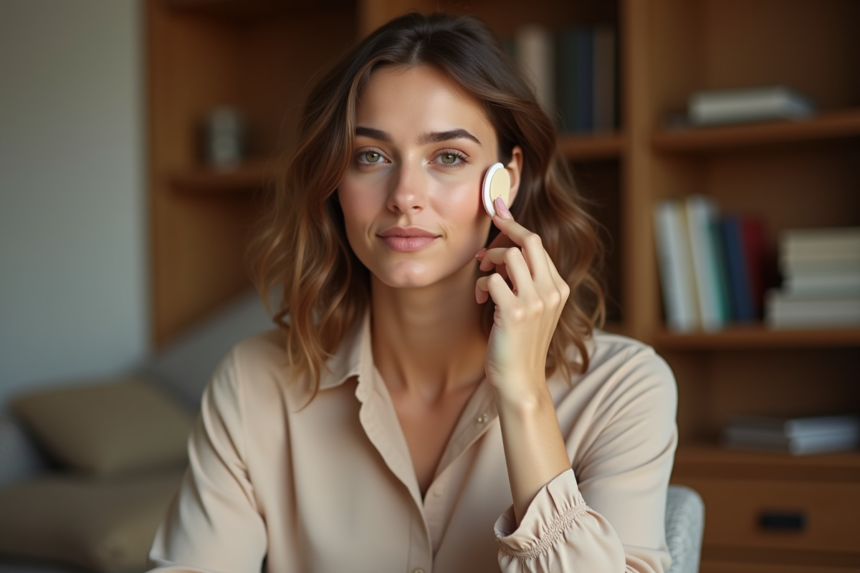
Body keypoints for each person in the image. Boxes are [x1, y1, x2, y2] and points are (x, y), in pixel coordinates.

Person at [148, 12, 677, 573]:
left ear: (508, 177)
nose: (404, 195)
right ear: (335, 180)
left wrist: (524, 397)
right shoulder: (254, 383)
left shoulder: (624, 388)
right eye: (370, 156)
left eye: (447, 156)